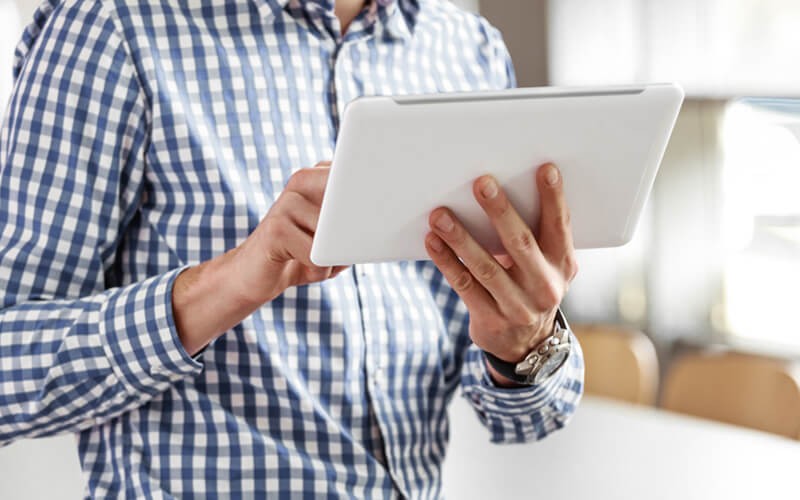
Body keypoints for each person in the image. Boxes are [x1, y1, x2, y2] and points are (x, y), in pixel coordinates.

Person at [0, 0, 584, 497]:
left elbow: (532, 415)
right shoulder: (113, 26)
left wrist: (525, 345)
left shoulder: (468, 49)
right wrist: (230, 282)